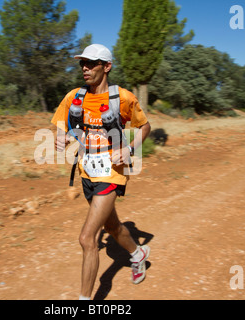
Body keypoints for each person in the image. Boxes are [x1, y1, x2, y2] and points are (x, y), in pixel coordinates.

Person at [51, 44, 151, 300]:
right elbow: (62, 127)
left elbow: (145, 127)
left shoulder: (123, 98)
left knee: (87, 238)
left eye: (91, 63)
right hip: (86, 172)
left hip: (111, 173)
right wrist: (61, 138)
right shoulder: (75, 96)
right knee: (113, 226)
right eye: (82, 63)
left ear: (106, 67)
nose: (85, 67)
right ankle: (138, 254)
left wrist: (129, 148)